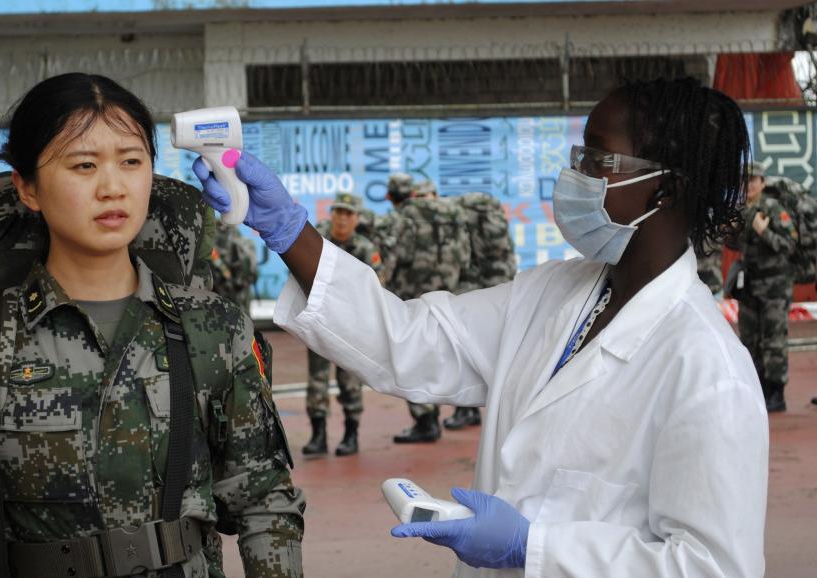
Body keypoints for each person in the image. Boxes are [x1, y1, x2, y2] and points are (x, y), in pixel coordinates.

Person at [195, 76, 767, 577]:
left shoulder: (706, 369)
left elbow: (712, 567)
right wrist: (288, 231)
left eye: (597, 161)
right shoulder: (554, 293)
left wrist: (533, 547)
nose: (575, 176)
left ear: (666, 188)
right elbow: (407, 340)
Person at [0, 73, 304, 578]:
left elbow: (263, 501)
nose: (112, 187)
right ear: (28, 188)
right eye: (83, 165)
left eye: (131, 161)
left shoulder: (213, 329)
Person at [383, 179, 470, 444]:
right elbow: (465, 254)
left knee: (415, 353)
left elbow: (393, 256)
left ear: (391, 196)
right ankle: (461, 404)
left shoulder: (402, 215)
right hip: (450, 290)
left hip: (415, 293)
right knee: (450, 348)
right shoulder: (451, 210)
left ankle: (425, 420)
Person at [302, 192, 382, 458]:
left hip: (350, 325)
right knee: (317, 380)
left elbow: (375, 288)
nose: (342, 218)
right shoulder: (319, 242)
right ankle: (318, 434)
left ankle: (351, 433)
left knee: (350, 379)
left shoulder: (364, 248)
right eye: (338, 212)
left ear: (357, 218)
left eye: (349, 213)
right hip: (319, 320)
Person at [444, 191, 517, 430]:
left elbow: (461, 257)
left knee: (468, 347)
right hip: (504, 286)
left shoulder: (458, 214)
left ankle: (466, 411)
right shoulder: (493, 215)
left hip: (476, 288)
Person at [727, 162, 796, 412]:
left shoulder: (775, 209)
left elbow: (789, 246)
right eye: (745, 181)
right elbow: (735, 246)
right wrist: (732, 231)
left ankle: (776, 393)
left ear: (763, 183)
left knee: (774, 341)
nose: (749, 185)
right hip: (751, 286)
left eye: (754, 180)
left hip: (775, 288)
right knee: (750, 340)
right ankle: (758, 389)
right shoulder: (742, 211)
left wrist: (764, 231)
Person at [209, 222, 258, 314]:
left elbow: (216, 261)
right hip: (239, 293)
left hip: (224, 291)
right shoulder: (244, 243)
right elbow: (253, 274)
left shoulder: (215, 243)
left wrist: (226, 273)